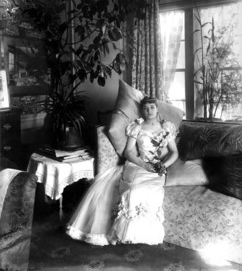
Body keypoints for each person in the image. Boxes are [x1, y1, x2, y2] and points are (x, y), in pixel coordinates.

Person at [66, 96, 179, 246]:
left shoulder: (166, 127)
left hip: (158, 169)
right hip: (139, 165)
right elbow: (128, 152)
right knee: (133, 191)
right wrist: (144, 165)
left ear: (157, 109)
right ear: (142, 111)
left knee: (152, 192)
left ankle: (145, 234)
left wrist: (164, 166)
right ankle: (127, 233)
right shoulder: (137, 127)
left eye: (152, 107)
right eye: (146, 108)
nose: (149, 111)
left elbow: (175, 153)